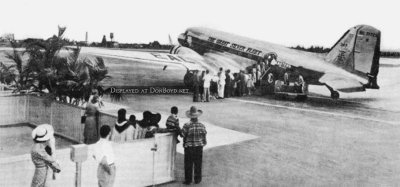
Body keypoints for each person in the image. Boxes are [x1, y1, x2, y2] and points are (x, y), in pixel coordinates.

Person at [181, 106, 207, 185]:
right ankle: (197, 179)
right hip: (199, 147)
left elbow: (182, 134)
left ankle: (188, 180)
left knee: (188, 164)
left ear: (190, 116)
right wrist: (203, 143)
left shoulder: (187, 125)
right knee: (198, 164)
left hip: (189, 147)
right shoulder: (202, 125)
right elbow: (204, 135)